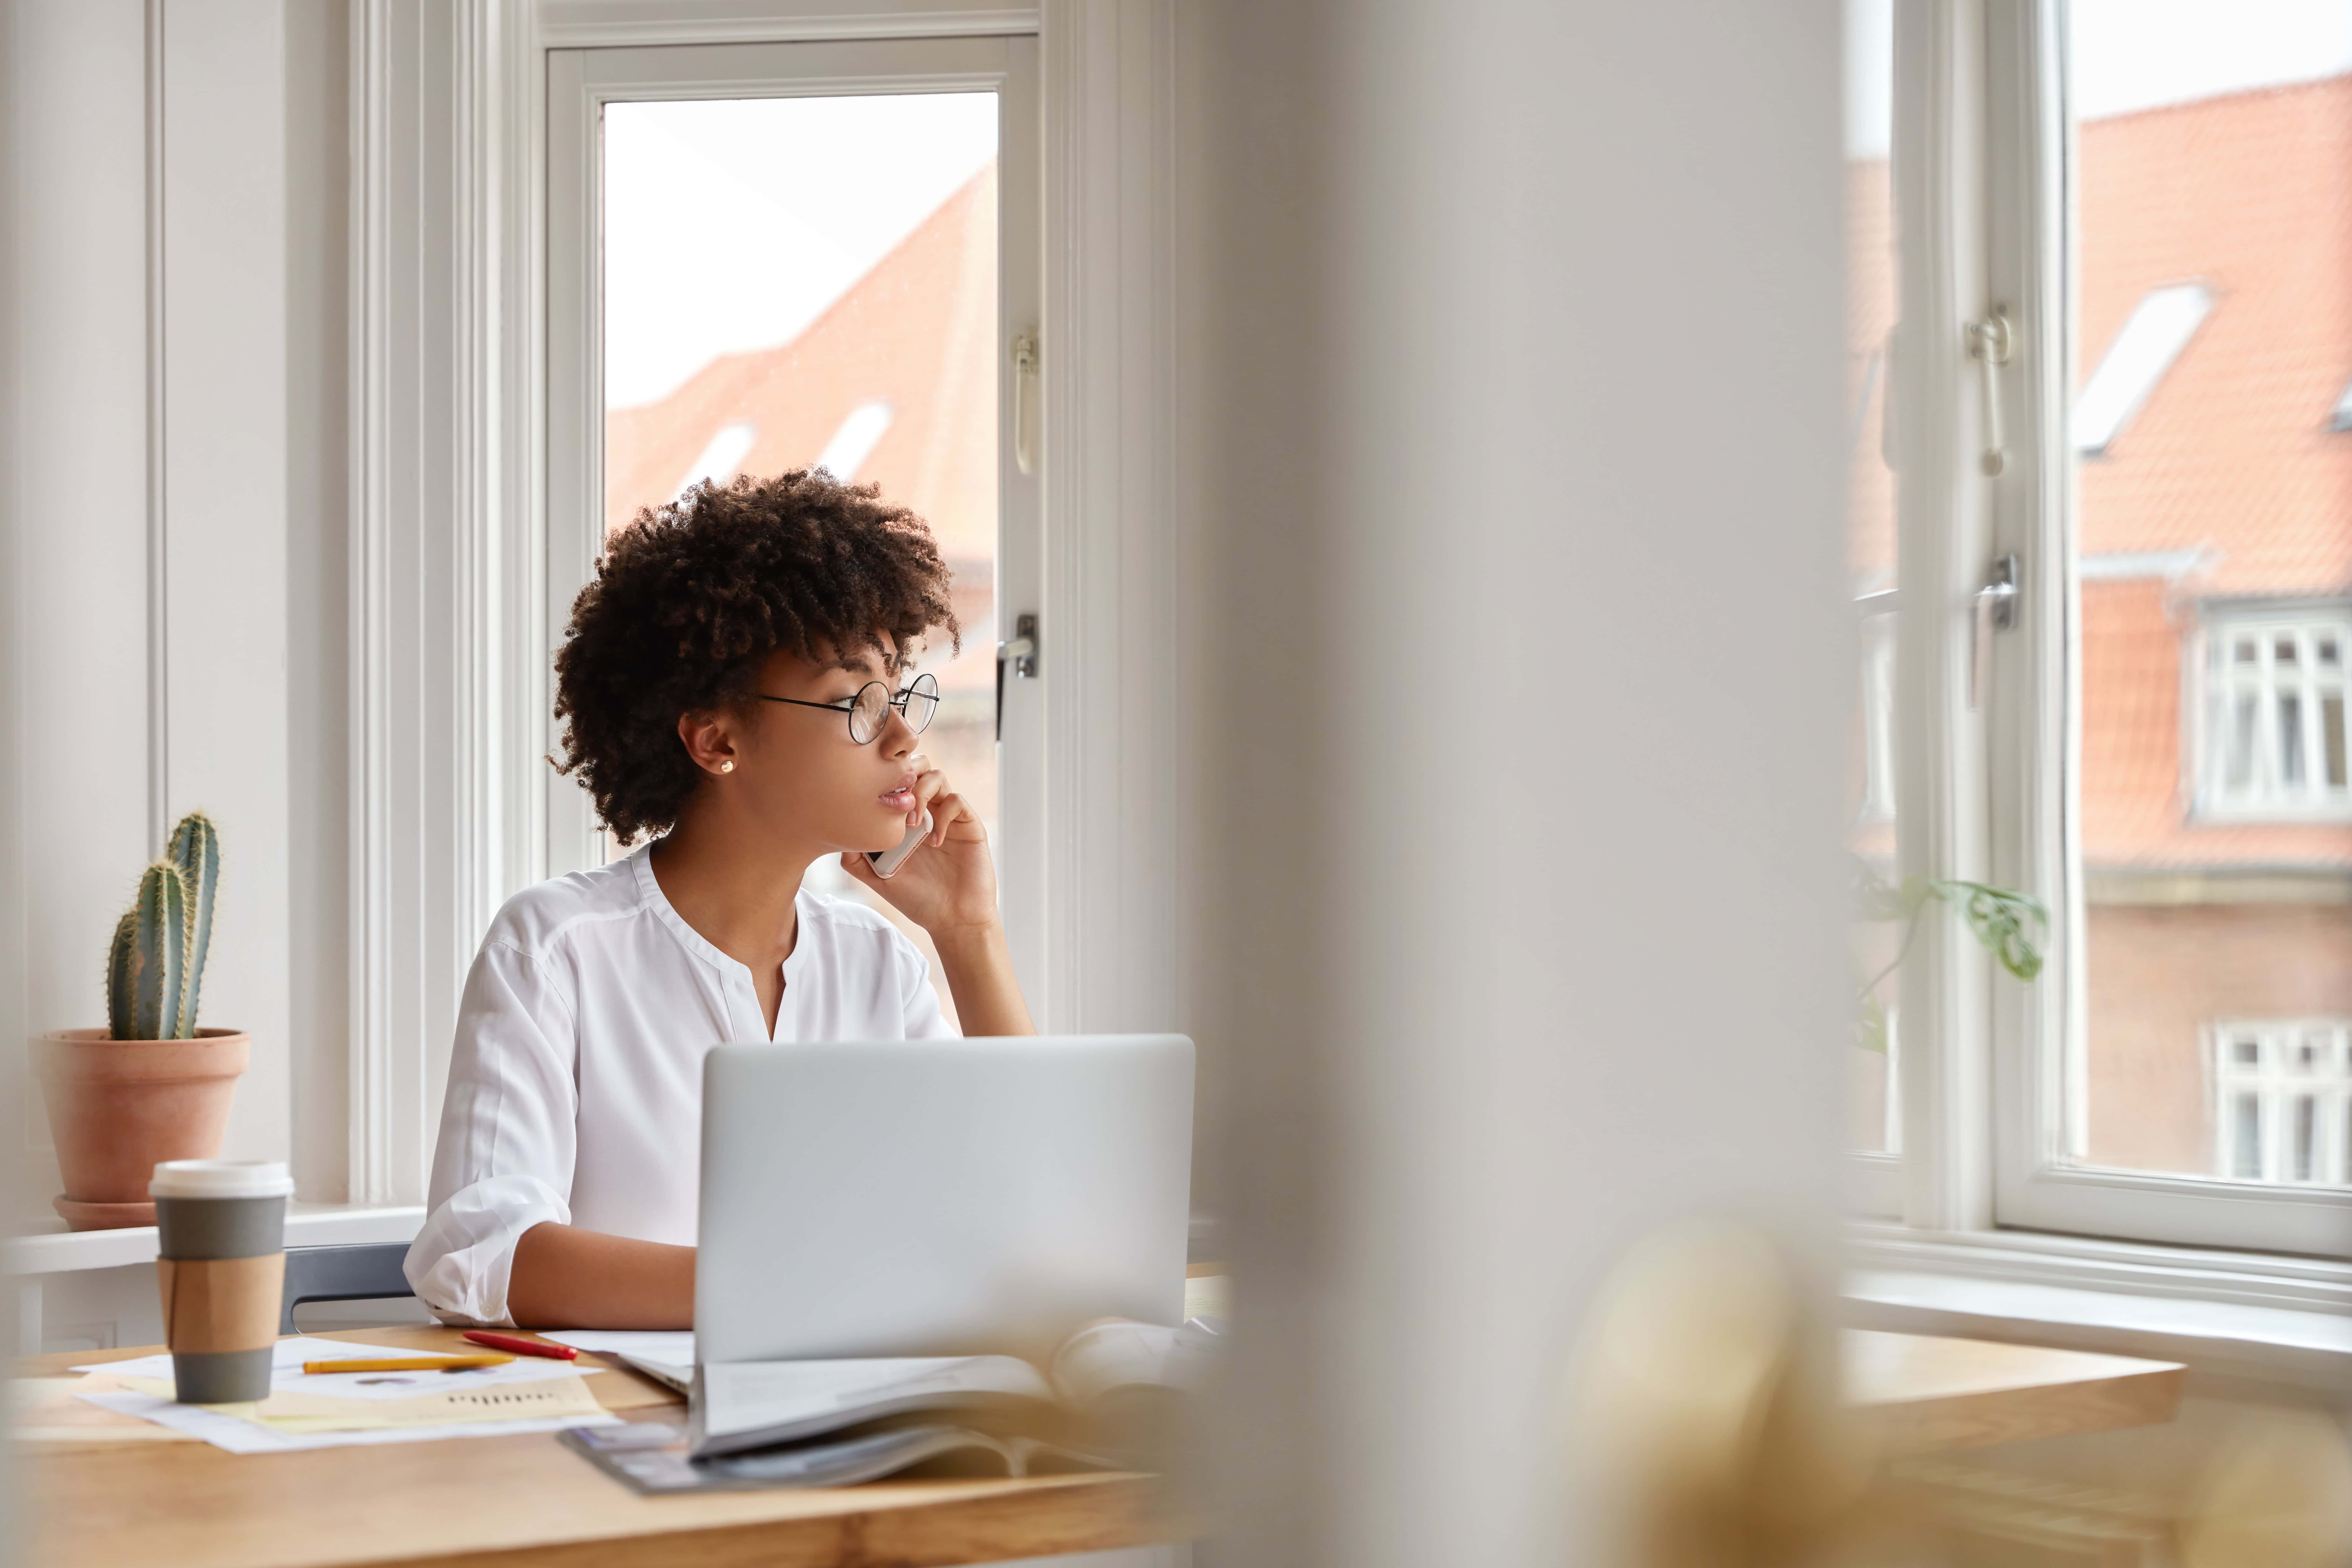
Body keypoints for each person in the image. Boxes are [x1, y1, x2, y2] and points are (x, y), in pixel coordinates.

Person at [403, 470, 1034, 1328]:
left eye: (899, 692)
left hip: (852, 1410)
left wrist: (970, 933)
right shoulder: (557, 948)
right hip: (618, 1430)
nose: (902, 737)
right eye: (855, 700)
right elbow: (478, 1253)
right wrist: (792, 1290)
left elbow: (1027, 1227)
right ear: (716, 740)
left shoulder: (878, 966)